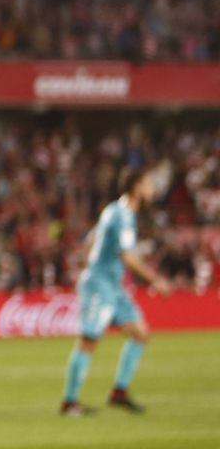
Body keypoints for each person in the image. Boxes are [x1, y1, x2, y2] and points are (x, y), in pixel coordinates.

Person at [61, 165, 172, 416]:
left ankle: (119, 392)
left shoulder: (114, 210)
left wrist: (85, 258)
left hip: (112, 283)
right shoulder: (123, 215)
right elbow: (126, 256)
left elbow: (91, 240)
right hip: (100, 283)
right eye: (148, 183)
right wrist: (157, 280)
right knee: (89, 340)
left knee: (140, 333)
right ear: (136, 187)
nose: (153, 188)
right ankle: (69, 402)